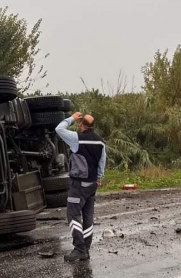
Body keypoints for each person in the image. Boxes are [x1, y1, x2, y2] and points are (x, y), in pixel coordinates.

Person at [55, 111, 107, 262]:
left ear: (81, 125)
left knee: (73, 215)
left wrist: (71, 118)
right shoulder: (100, 142)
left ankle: (79, 249)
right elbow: (102, 162)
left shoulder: (77, 139)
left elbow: (59, 129)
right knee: (87, 216)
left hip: (78, 185)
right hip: (92, 184)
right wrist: (99, 177)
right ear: (93, 127)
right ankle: (86, 249)